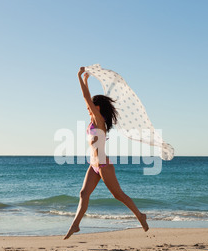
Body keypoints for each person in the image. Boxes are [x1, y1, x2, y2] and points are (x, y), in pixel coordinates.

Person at [64, 67, 149, 239]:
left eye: (90, 108)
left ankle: (140, 215)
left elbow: (85, 98)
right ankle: (75, 225)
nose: (88, 110)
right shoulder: (93, 121)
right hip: (93, 164)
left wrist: (80, 76)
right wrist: (87, 81)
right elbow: (87, 100)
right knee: (83, 194)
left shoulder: (99, 120)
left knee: (118, 195)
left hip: (103, 164)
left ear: (97, 107)